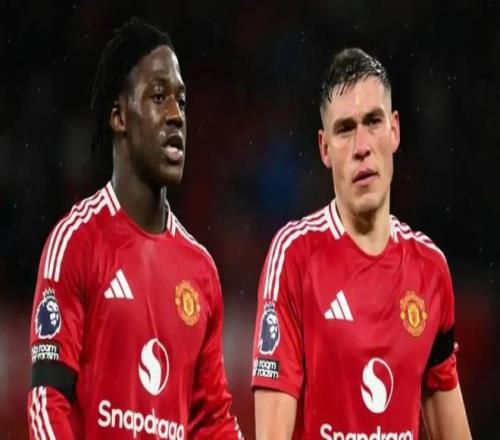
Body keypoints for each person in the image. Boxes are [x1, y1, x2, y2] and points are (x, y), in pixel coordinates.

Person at [28, 17, 242, 440]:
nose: (176, 115)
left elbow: (213, 422)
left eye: (182, 101)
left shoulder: (200, 271)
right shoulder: (77, 242)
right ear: (119, 116)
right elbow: (46, 402)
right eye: (159, 97)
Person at [251, 48, 471, 440]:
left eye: (373, 121)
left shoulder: (430, 269)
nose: (362, 146)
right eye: (345, 129)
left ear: (395, 130)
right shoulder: (295, 256)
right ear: (324, 148)